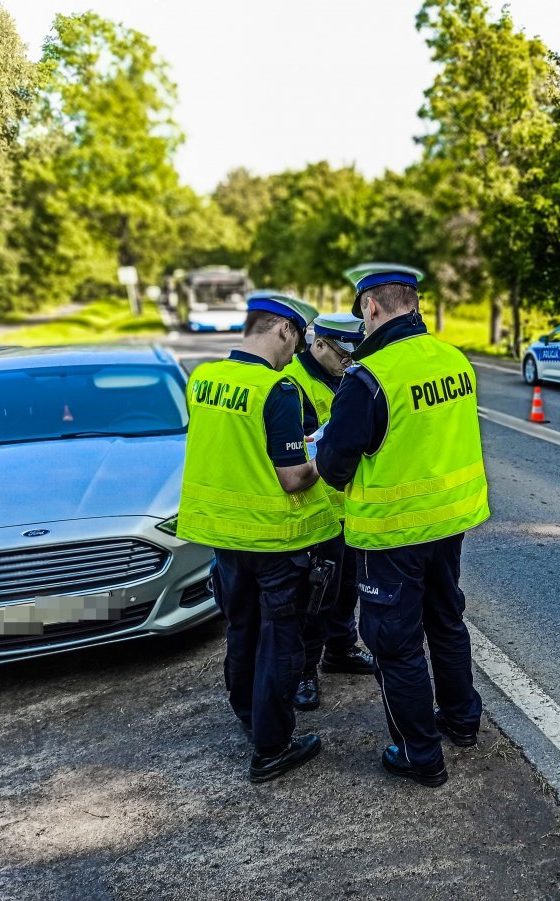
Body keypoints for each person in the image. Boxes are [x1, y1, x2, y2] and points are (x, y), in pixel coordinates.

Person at [316, 263, 489, 788]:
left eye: (361, 315)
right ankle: (462, 721)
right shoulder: (453, 359)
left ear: (370, 307)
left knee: (395, 645)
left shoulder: (368, 378)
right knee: (446, 622)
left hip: (392, 535)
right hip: (449, 523)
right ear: (413, 302)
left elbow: (333, 466)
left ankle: (420, 755)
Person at [177, 291, 341, 783]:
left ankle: (249, 718)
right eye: (296, 341)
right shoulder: (278, 391)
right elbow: (293, 477)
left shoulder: (203, 380)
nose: (295, 355)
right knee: (281, 643)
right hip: (275, 542)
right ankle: (272, 747)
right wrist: (324, 455)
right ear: (284, 330)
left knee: (241, 632)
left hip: (223, 539)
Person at [281, 312, 376, 712]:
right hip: (313, 512)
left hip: (347, 509)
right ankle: (305, 670)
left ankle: (341, 649)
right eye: (342, 354)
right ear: (318, 344)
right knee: (313, 597)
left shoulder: (351, 378)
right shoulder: (291, 385)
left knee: (345, 589)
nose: (348, 362)